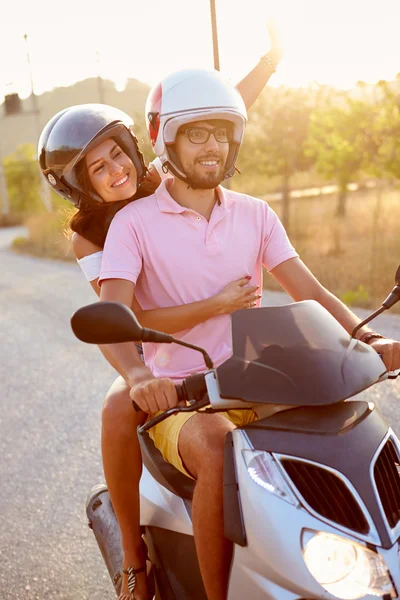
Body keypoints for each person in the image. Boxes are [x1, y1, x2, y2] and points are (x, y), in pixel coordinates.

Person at [97, 68, 400, 600]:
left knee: (348, 428)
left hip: (263, 385)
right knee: (216, 449)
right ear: (163, 136)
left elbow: (313, 294)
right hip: (186, 402)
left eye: (222, 133)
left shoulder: (255, 214)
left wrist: (368, 343)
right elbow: (111, 318)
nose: (212, 146)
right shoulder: (134, 224)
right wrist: (141, 375)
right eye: (197, 133)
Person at [38, 25, 283, 600]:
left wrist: (271, 61)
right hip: (147, 347)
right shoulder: (91, 240)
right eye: (96, 170)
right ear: (79, 187)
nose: (116, 172)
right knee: (118, 403)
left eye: (117, 157)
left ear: (134, 148)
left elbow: (221, 112)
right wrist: (216, 303)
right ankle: (133, 560)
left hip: (214, 340)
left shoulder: (162, 178)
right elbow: (132, 316)